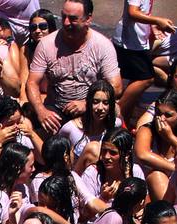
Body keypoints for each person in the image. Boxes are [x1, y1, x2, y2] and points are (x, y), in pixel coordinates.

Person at [25, 0, 120, 134]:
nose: (65, 23)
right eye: (64, 17)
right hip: (57, 109)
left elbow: (116, 86)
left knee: (116, 123)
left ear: (88, 19)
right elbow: (32, 83)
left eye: (73, 19)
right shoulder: (46, 45)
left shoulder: (103, 46)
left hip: (92, 108)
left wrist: (87, 104)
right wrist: (41, 111)